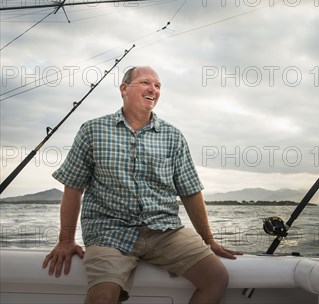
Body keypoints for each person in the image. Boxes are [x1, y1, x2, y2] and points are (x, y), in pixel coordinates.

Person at [42, 66, 242, 303]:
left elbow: (190, 191)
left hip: (165, 231)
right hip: (109, 233)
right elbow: (73, 187)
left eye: (158, 86)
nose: (153, 90)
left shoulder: (172, 136)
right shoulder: (92, 130)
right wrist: (66, 240)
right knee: (103, 296)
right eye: (146, 82)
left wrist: (208, 239)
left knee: (216, 278)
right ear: (124, 89)